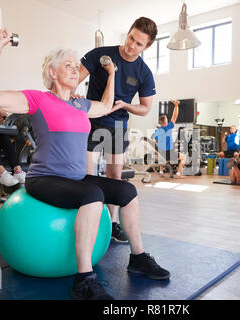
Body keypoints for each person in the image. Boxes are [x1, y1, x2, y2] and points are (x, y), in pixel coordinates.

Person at [0, 29, 170, 300]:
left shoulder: (79, 104)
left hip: (75, 179)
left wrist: (112, 74)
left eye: (75, 65)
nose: (75, 69)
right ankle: (83, 280)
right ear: (51, 73)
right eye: (67, 65)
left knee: (127, 192)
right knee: (93, 196)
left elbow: (106, 106)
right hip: (44, 179)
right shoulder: (37, 99)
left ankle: (138, 257)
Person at [79, 17, 158, 243]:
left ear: (147, 46)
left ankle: (113, 223)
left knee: (115, 175)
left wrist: (125, 105)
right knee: (88, 174)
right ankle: (88, 218)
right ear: (129, 32)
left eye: (139, 44)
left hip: (117, 125)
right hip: (92, 120)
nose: (132, 45)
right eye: (131, 37)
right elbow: (74, 79)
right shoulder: (99, 54)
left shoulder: (144, 72)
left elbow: (145, 108)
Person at [154, 100, 187, 178]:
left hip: (161, 154)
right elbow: (174, 116)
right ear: (165, 122)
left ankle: (161, 171)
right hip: (169, 154)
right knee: (184, 157)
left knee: (162, 155)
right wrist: (176, 105)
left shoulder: (157, 131)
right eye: (167, 120)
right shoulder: (168, 127)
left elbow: (155, 141)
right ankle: (178, 173)